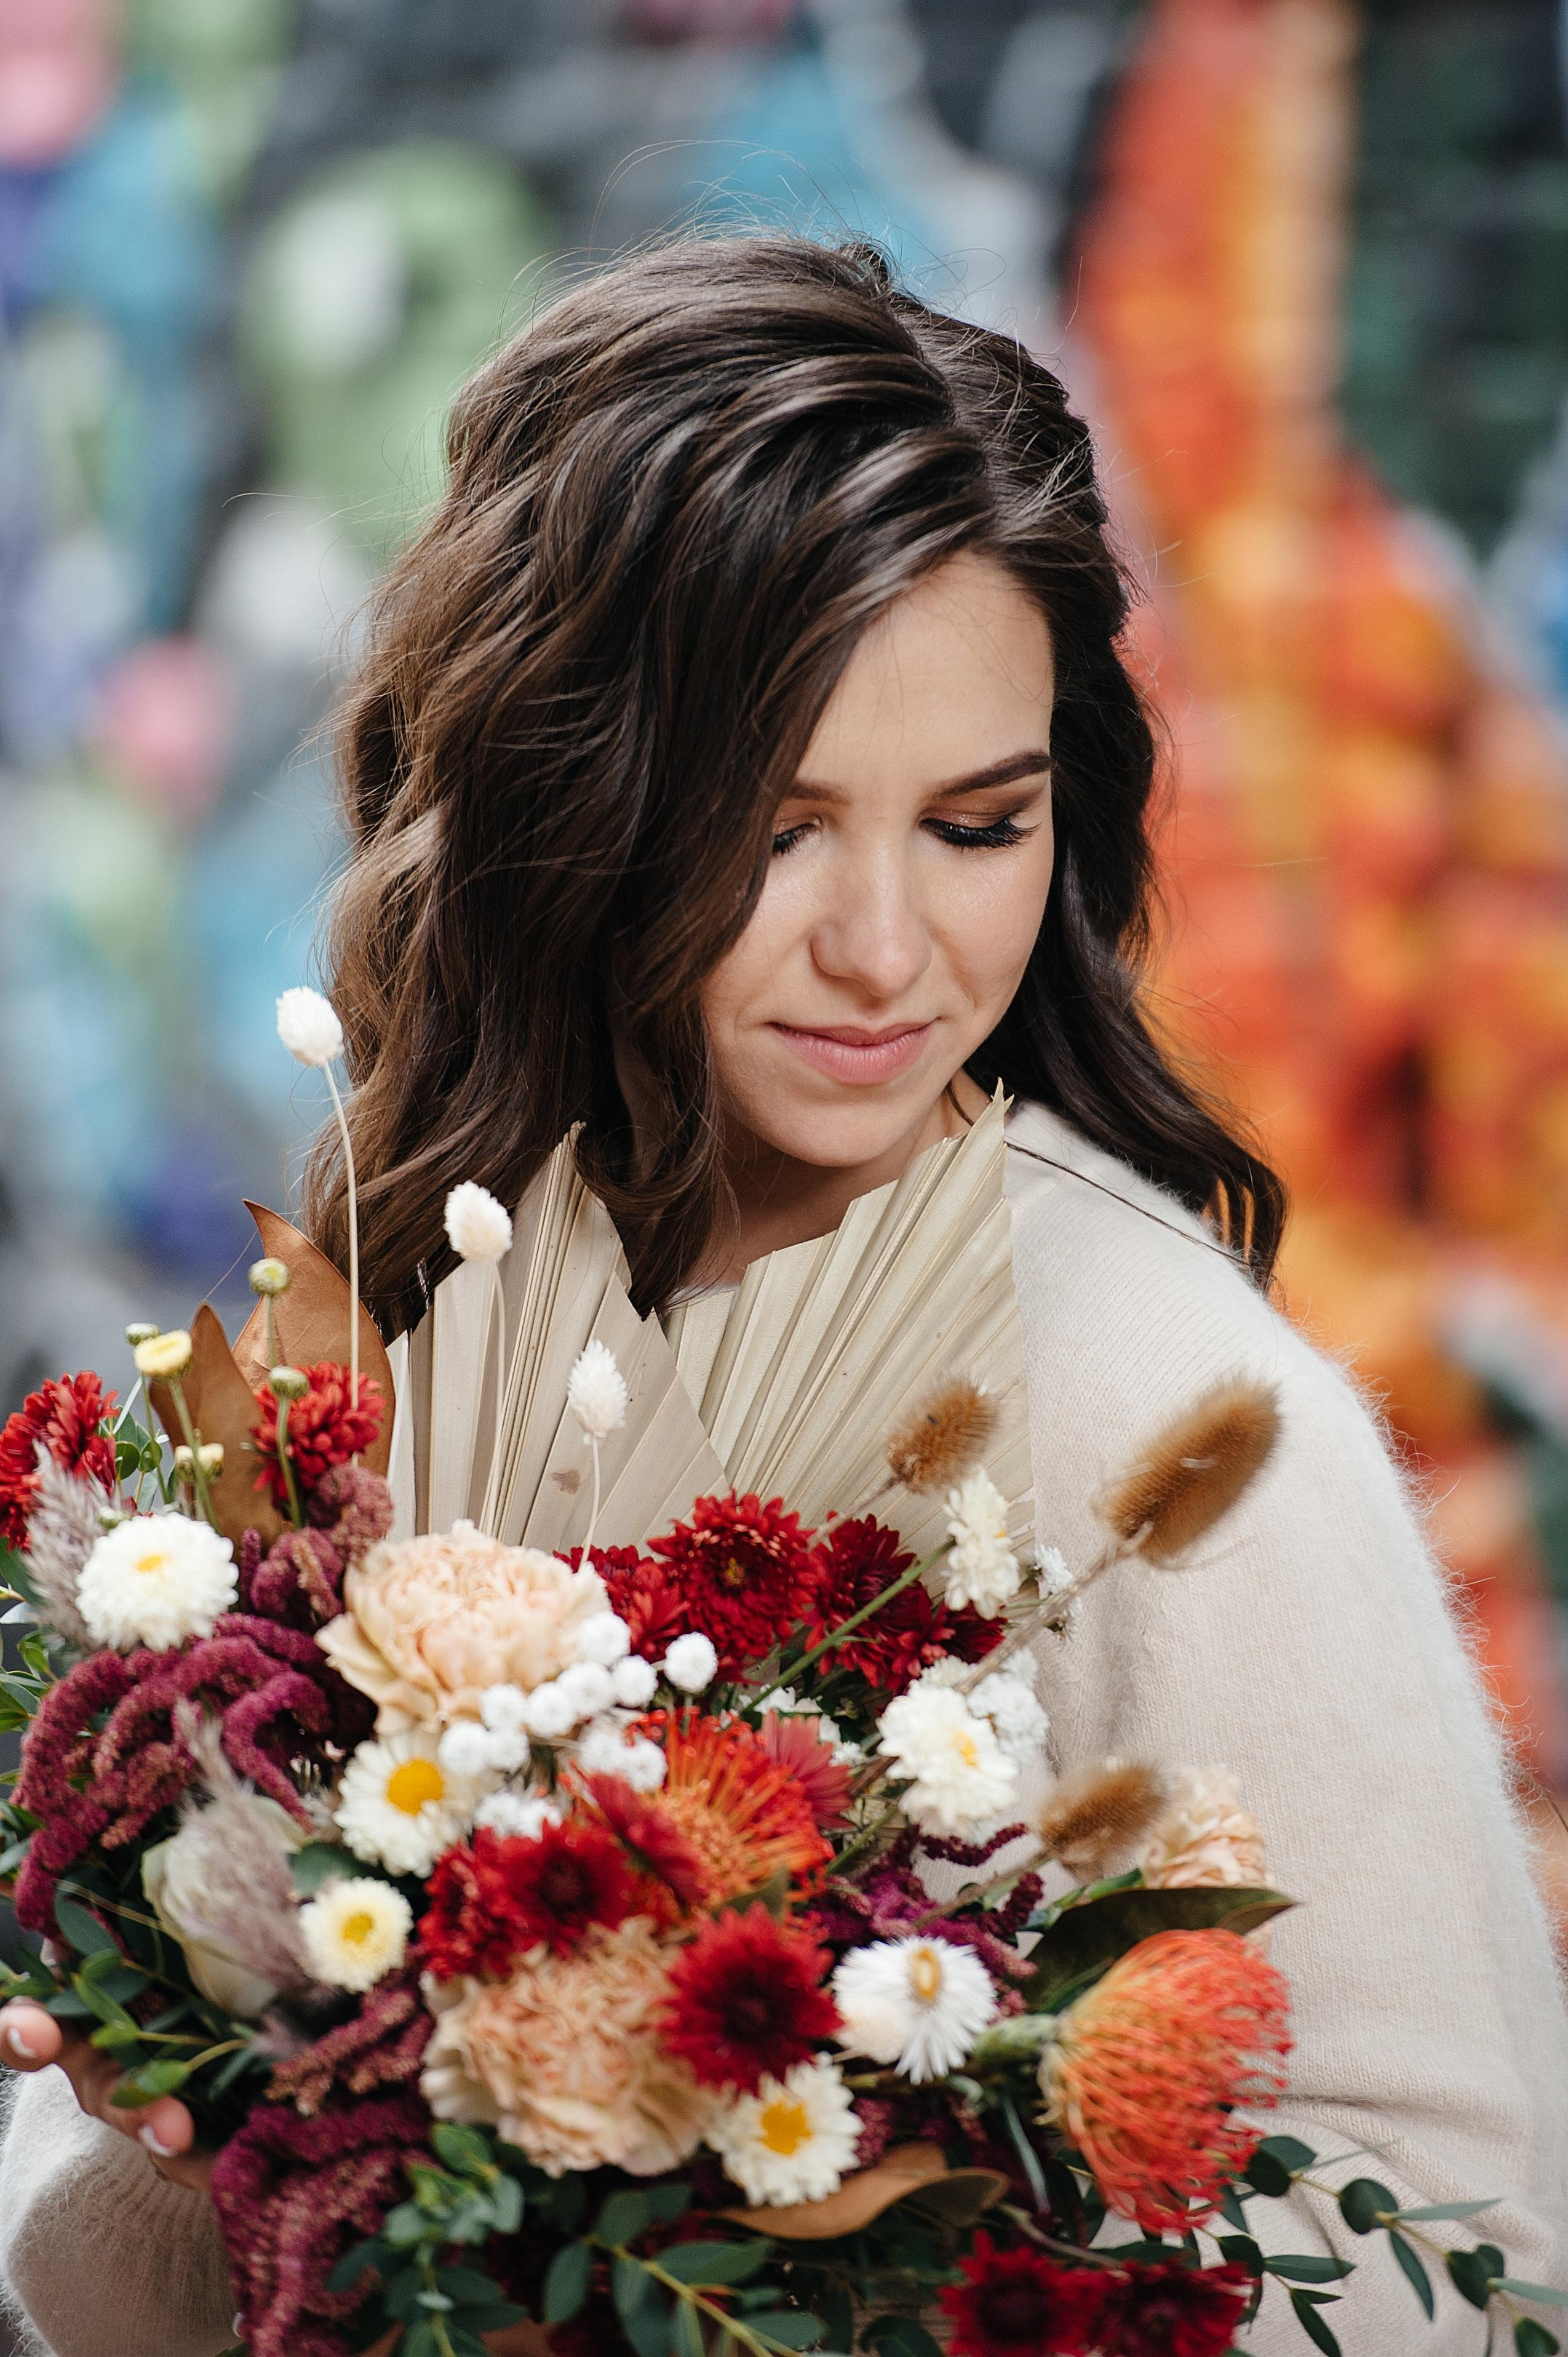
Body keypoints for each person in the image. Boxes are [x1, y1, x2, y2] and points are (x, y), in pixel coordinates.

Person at [3, 235, 1566, 2357]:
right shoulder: (418, 1306)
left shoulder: (1164, 1400)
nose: (887, 948)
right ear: (579, 804)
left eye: (976, 825)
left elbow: (1467, 2247)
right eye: (779, 826)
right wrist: (254, 2105)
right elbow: (131, 2267)